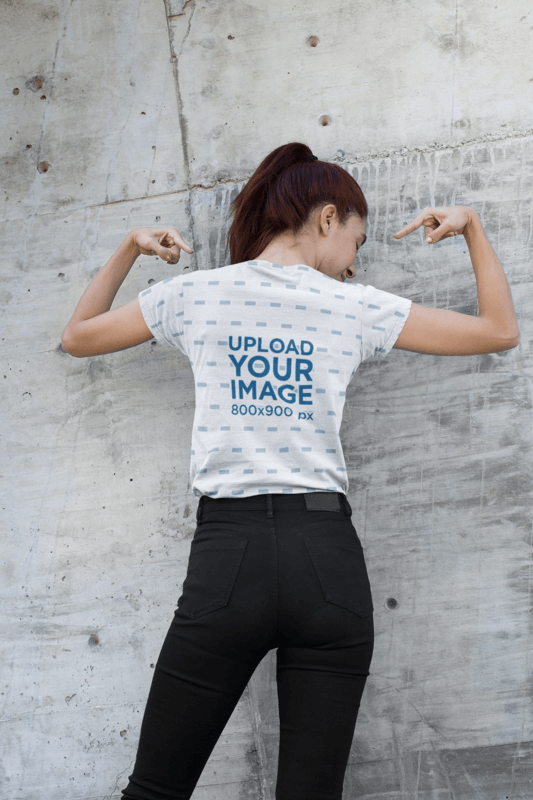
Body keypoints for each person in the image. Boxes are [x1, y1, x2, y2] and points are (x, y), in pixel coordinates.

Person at [62, 142, 519, 800]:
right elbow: (498, 330)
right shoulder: (356, 307)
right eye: (356, 241)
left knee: (155, 790)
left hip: (229, 557)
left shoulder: (193, 295)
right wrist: (471, 224)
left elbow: (78, 336)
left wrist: (132, 250)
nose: (354, 263)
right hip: (326, 559)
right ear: (327, 218)